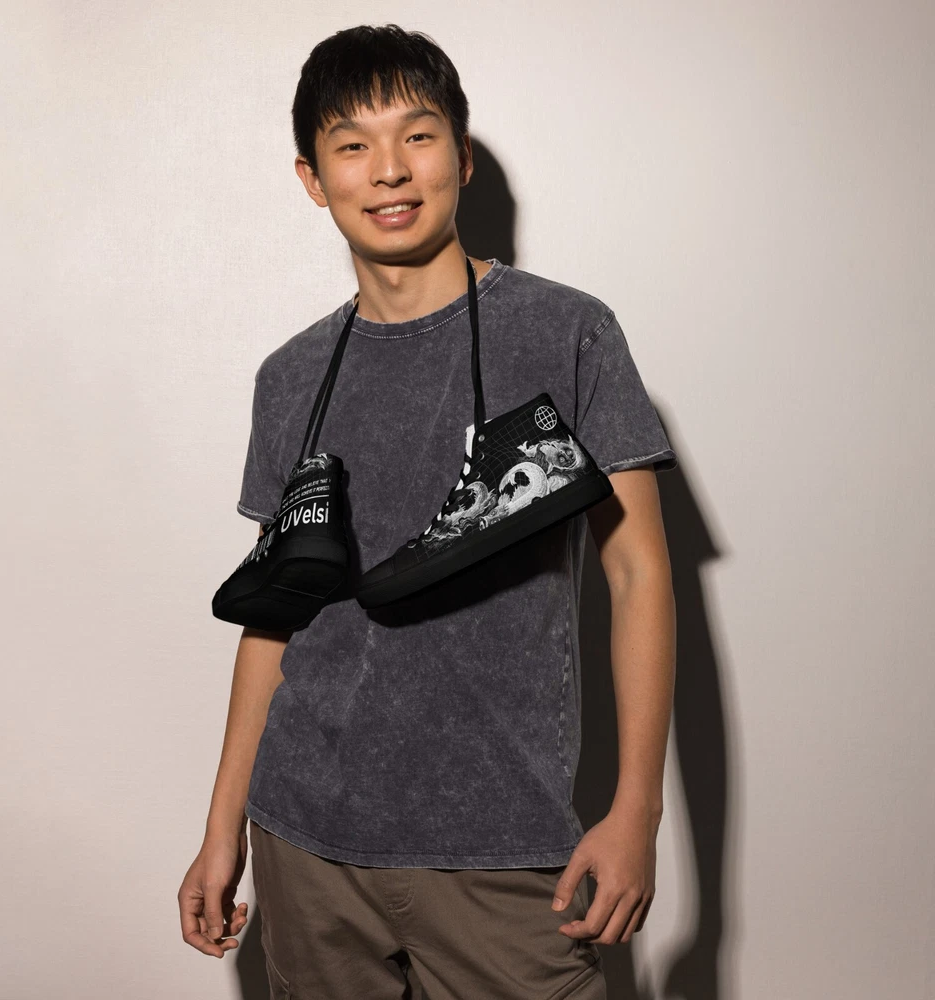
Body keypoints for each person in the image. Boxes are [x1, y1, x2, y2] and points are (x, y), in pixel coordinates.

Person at [178, 23, 678, 999]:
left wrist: (636, 812)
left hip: (504, 847)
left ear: (461, 153)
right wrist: (221, 826)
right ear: (313, 178)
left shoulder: (565, 330)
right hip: (306, 846)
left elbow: (639, 571)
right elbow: (273, 620)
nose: (389, 170)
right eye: (352, 145)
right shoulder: (290, 377)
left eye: (417, 135)